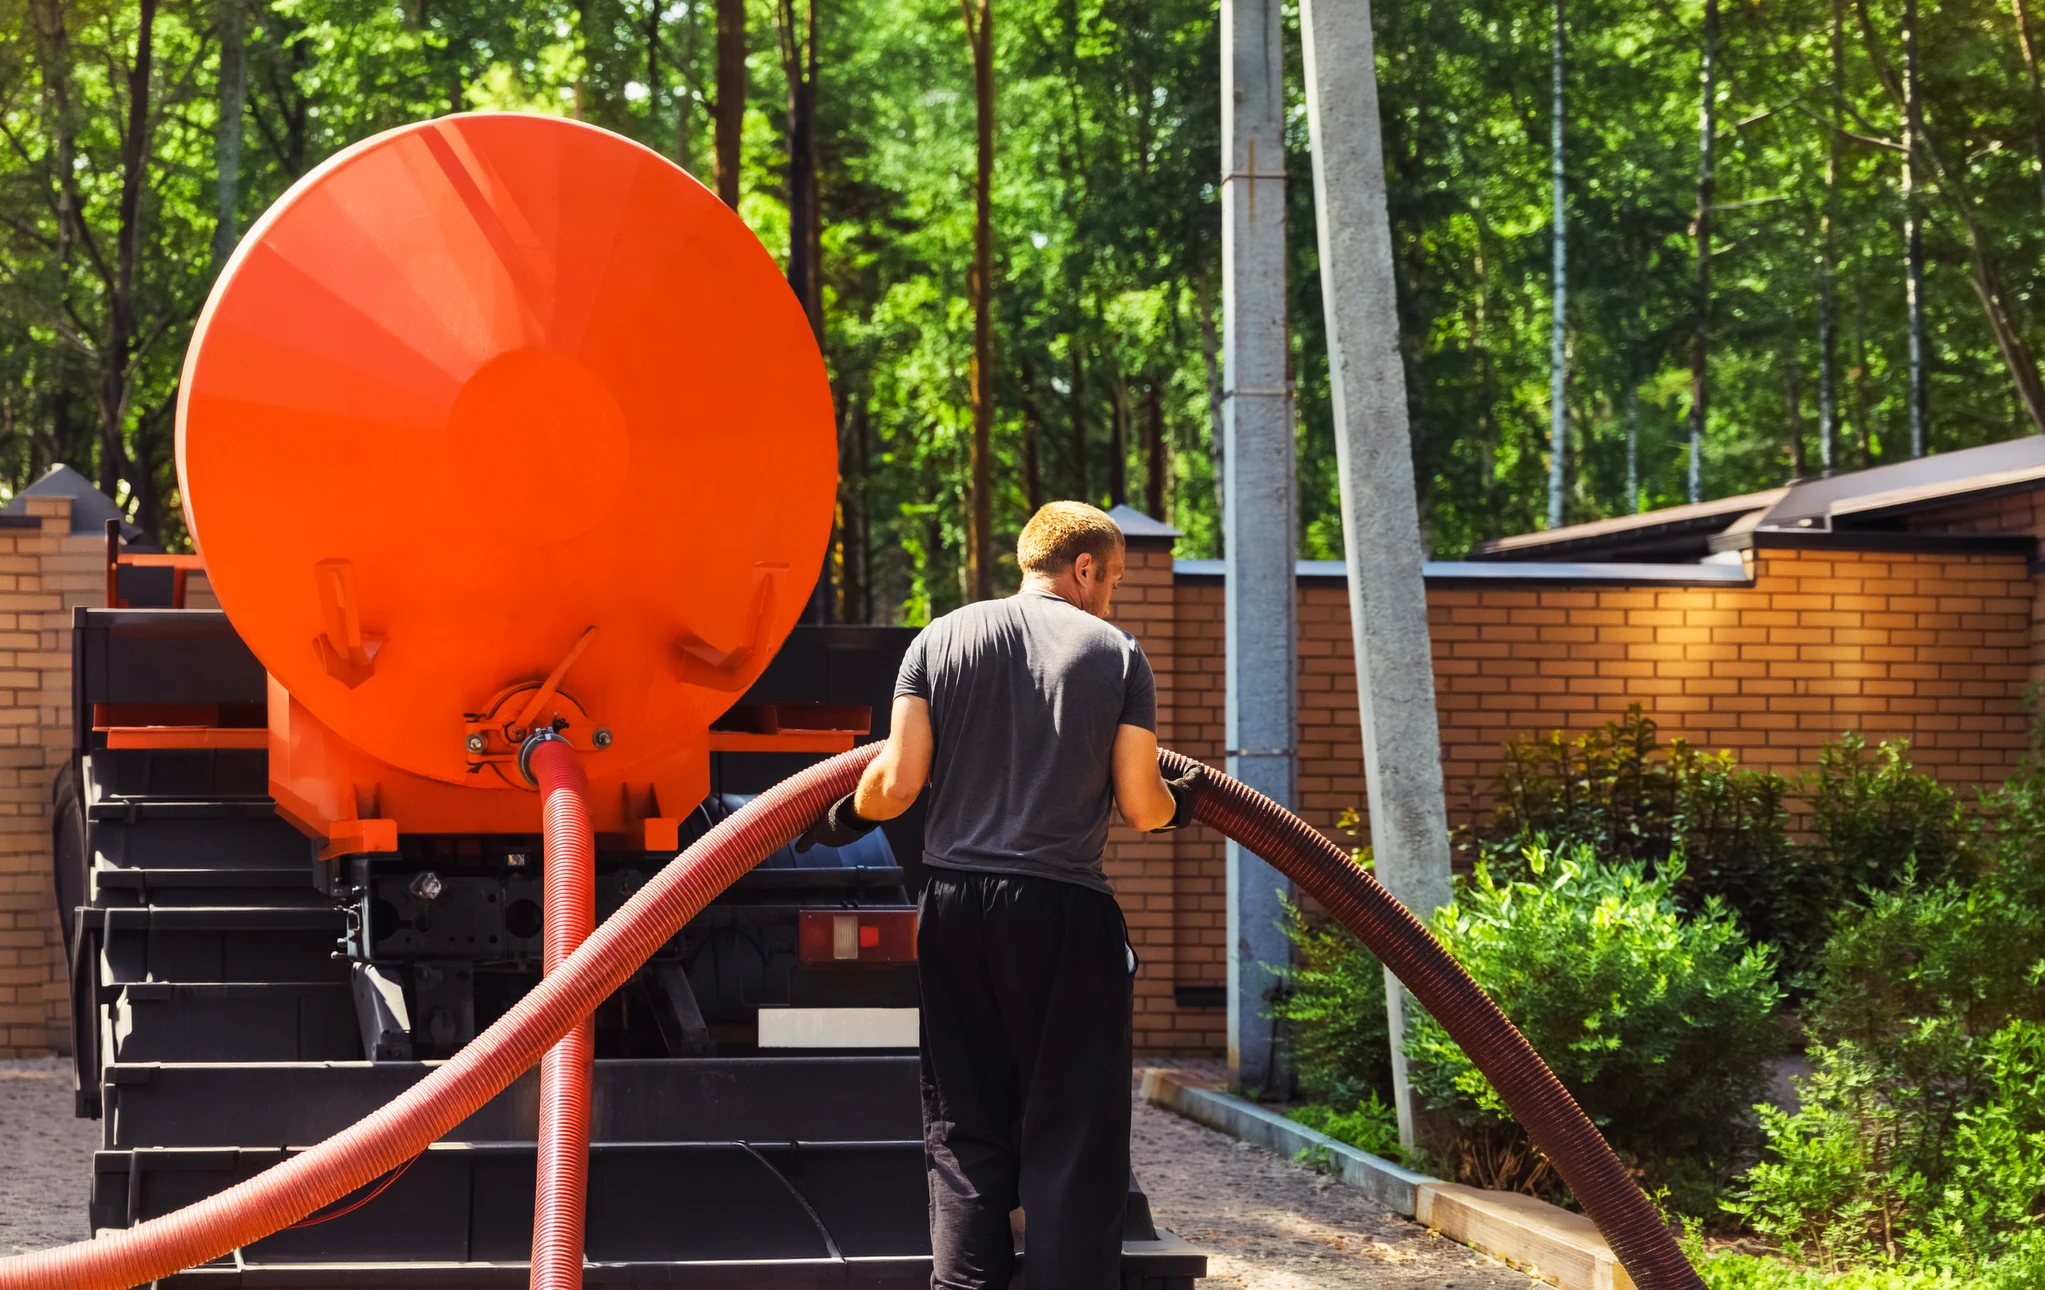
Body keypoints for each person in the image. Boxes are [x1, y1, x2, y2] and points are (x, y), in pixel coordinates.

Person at [797, 500, 1201, 1290]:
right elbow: (1143, 807)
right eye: (1111, 579)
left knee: (963, 1124)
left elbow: (896, 784)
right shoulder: (1116, 652)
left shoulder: (938, 638)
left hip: (954, 908)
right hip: (1063, 911)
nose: (1111, 595)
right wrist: (1184, 799)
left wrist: (833, 819)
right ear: (1082, 569)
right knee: (1071, 1131)